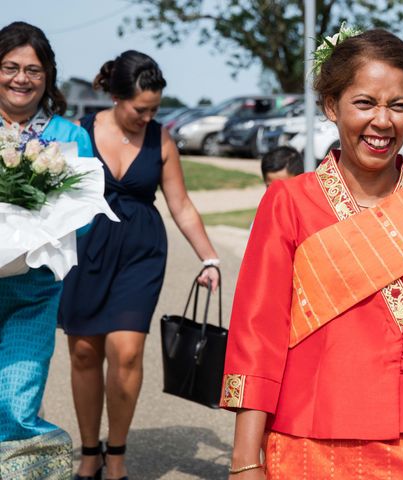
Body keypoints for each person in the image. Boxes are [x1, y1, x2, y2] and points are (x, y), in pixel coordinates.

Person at [220, 28, 403, 480]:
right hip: (306, 442)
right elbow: (258, 337)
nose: (383, 121)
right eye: (365, 103)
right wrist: (244, 460)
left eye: (399, 105)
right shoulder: (289, 202)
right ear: (332, 106)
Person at [58, 50, 221, 480]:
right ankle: (89, 452)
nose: (148, 117)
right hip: (87, 251)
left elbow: (181, 206)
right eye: (140, 109)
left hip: (140, 255)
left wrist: (209, 257)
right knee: (83, 352)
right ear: (115, 96)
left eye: (154, 109)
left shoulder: (161, 140)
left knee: (126, 351)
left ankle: (117, 456)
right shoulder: (79, 133)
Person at [0, 21, 94, 477]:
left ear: (48, 76)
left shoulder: (70, 138)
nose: (22, 78)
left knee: (18, 394)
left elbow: (87, 217)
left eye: (33, 70)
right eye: (10, 67)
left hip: (34, 290)